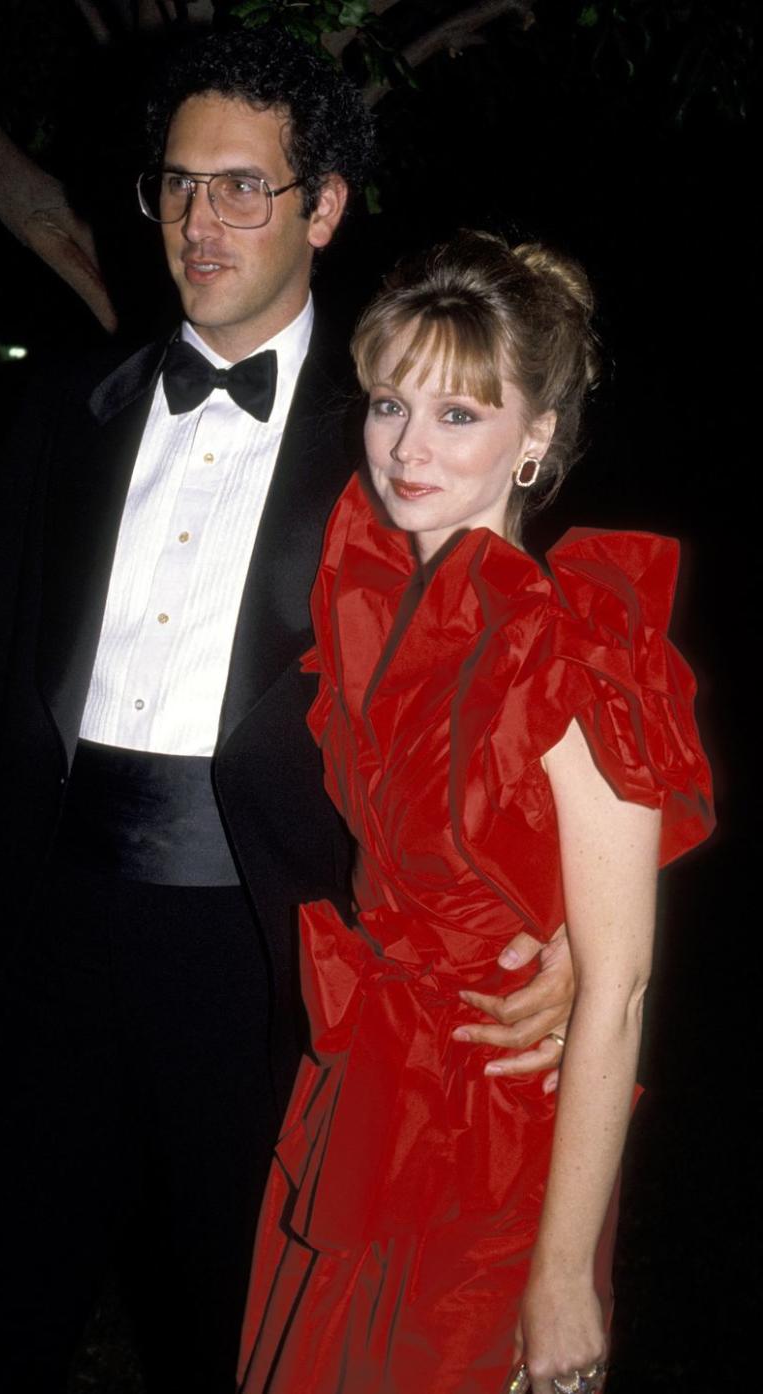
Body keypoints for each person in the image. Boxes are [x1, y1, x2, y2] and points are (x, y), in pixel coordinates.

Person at [0, 37, 573, 1394]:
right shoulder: (67, 401)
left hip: (268, 951)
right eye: (178, 187)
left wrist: (558, 930)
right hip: (44, 926)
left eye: (242, 189)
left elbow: (502, 688)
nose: (198, 223)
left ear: (324, 207)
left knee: (241, 1333)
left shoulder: (395, 433)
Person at [237, 231, 715, 1394]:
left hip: (492, 1136)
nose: (406, 446)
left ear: (535, 437)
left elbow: (618, 983)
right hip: (365, 1094)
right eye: (391, 402)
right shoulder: (369, 587)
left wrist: (562, 1273)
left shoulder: (574, 647)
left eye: (460, 414)